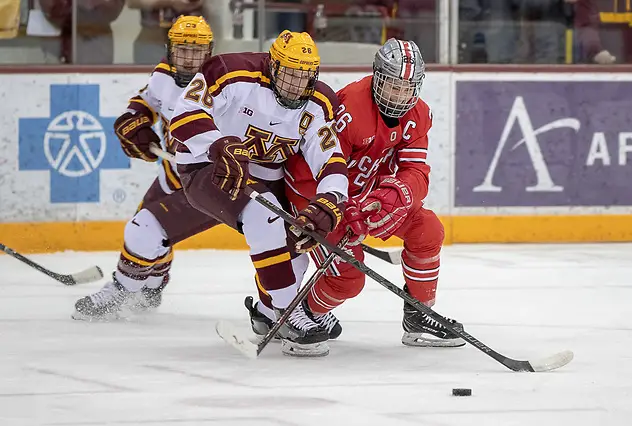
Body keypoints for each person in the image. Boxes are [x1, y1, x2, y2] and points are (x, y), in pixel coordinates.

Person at [248, 38, 465, 348]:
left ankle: (419, 314)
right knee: (348, 278)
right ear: (377, 77)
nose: (400, 95)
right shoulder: (348, 108)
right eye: (392, 86)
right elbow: (314, 168)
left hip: (367, 199)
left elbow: (416, 172)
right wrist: (337, 208)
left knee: (428, 229)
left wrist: (394, 195)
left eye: (407, 88)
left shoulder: (419, 115)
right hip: (318, 198)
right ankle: (295, 316)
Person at [169, 30, 349, 357]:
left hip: (266, 176)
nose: (297, 85)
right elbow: (182, 116)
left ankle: (268, 315)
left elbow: (330, 158)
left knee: (296, 241)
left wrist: (330, 198)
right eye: (291, 74)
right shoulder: (228, 72)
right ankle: (289, 311)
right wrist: (217, 144)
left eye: (305, 76)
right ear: (273, 66)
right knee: (264, 213)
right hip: (207, 167)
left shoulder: (320, 103)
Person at [73, 16, 218, 320]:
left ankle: (121, 290)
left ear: (210, 53)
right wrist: (133, 118)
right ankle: (152, 285)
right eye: (182, 50)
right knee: (148, 231)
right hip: (172, 175)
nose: (190, 58)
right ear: (169, 49)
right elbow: (147, 100)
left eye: (197, 51)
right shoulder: (163, 74)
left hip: (210, 182)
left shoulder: (222, 85)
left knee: (145, 229)